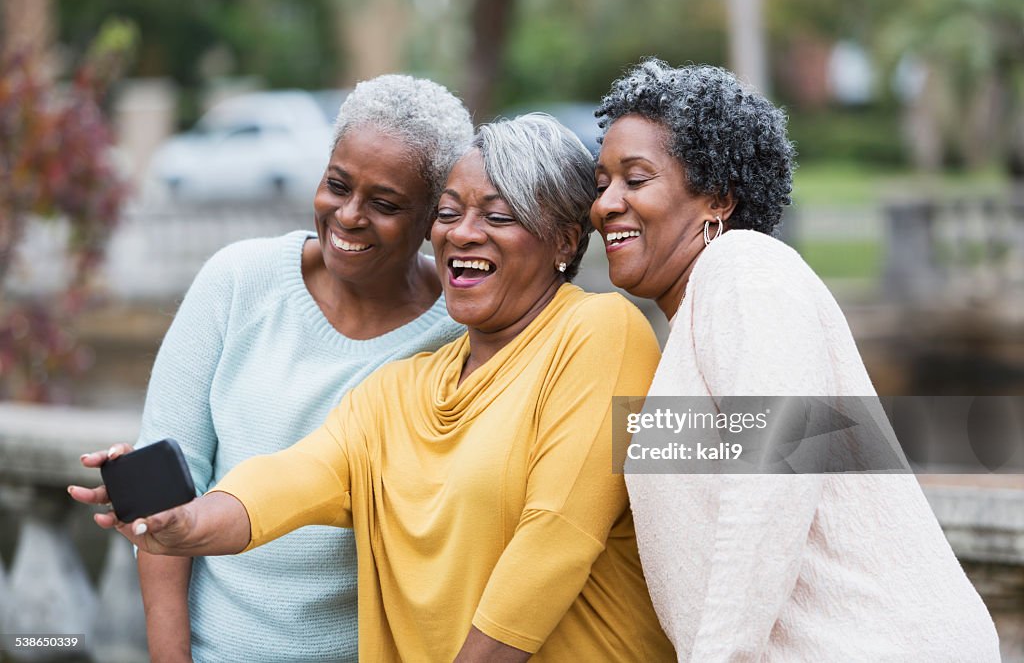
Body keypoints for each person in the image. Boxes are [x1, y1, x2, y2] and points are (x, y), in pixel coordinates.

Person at [75, 114, 676, 662]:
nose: (463, 234)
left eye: (497, 216)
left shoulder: (600, 330)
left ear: (565, 241)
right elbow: (293, 476)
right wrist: (188, 522)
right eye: (447, 213)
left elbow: (556, 537)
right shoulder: (400, 387)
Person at [590, 57, 1001, 661]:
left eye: (636, 178)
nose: (605, 205)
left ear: (718, 198)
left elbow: (774, 484)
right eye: (601, 184)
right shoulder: (696, 316)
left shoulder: (745, 270)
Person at [70, 74, 473, 662]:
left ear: (436, 215)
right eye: (337, 185)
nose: (349, 216)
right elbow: (169, 497)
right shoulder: (237, 281)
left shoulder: (460, 330)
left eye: (384, 204)